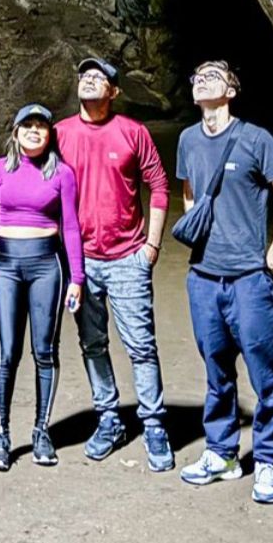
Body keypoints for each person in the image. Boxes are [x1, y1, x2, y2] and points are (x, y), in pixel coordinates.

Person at [174, 60, 273, 504]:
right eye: (198, 75)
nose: (204, 78)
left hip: (249, 279)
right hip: (204, 277)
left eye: (215, 73)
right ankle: (222, 453)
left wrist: (271, 258)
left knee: (265, 375)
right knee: (217, 372)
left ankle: (268, 461)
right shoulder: (188, 140)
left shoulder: (256, 139)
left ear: (231, 89)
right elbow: (191, 194)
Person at [53, 56, 175, 471]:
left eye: (99, 76)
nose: (89, 79)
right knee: (92, 344)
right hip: (80, 261)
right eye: (85, 75)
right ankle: (108, 419)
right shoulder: (59, 134)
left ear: (114, 92)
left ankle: (154, 423)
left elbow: (159, 186)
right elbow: (39, 185)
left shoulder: (132, 132)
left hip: (127, 257)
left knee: (140, 346)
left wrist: (152, 247)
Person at [0, 103, 85, 471]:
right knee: (7, 352)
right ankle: (0, 436)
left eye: (41, 126)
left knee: (45, 350)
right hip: (5, 264)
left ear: (50, 134)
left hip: (46, 265)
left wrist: (77, 278)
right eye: (27, 126)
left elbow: (70, 227)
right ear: (16, 132)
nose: (34, 131)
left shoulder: (62, 174)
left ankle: (42, 432)